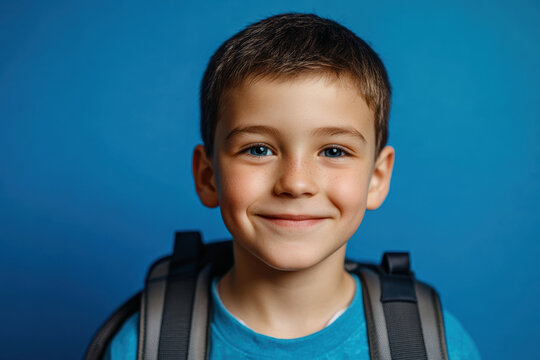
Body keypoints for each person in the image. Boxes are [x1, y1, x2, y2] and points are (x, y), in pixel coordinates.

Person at [103, 13, 481, 359]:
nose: (296, 183)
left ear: (377, 179)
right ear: (207, 176)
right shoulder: (141, 346)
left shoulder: (435, 344)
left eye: (333, 150)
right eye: (258, 149)